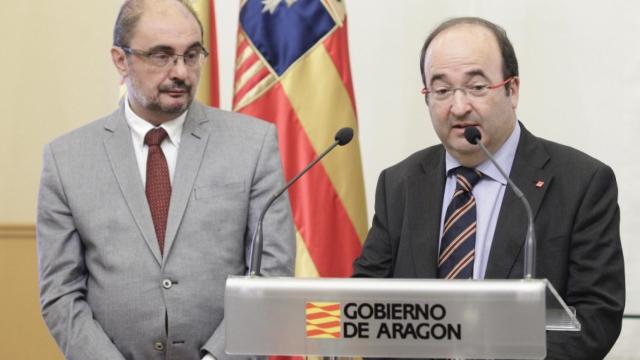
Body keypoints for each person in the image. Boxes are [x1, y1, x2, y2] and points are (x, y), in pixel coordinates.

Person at [353, 17, 624, 359]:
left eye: (477, 87)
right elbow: (364, 303)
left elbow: (597, 317)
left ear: (512, 90)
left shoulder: (581, 182)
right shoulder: (400, 183)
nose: (459, 106)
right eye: (441, 90)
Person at [36, 1, 295, 359]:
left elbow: (272, 277)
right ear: (120, 60)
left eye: (192, 55)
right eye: (162, 56)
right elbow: (61, 294)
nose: (182, 72)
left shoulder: (253, 145)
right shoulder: (66, 160)